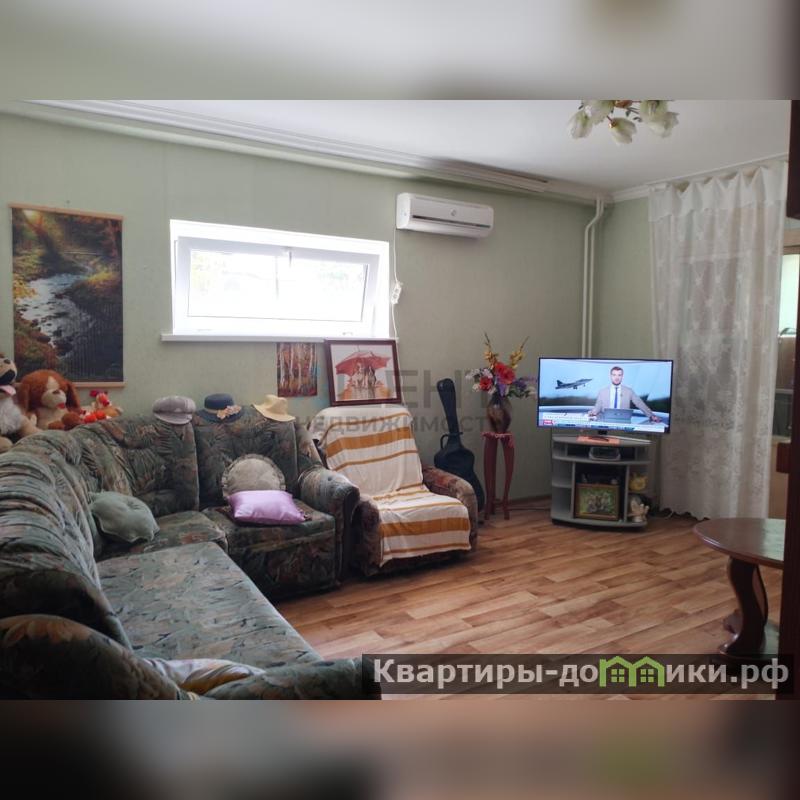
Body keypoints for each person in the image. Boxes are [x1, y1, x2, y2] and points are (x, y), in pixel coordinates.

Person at [588, 366, 659, 423]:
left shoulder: (629, 391)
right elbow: (598, 407)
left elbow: (639, 403)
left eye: (619, 375)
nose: (617, 377)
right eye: (614, 375)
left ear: (622, 376)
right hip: (605, 421)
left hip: (623, 422)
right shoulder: (602, 391)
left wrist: (651, 415)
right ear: (610, 376)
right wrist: (592, 413)